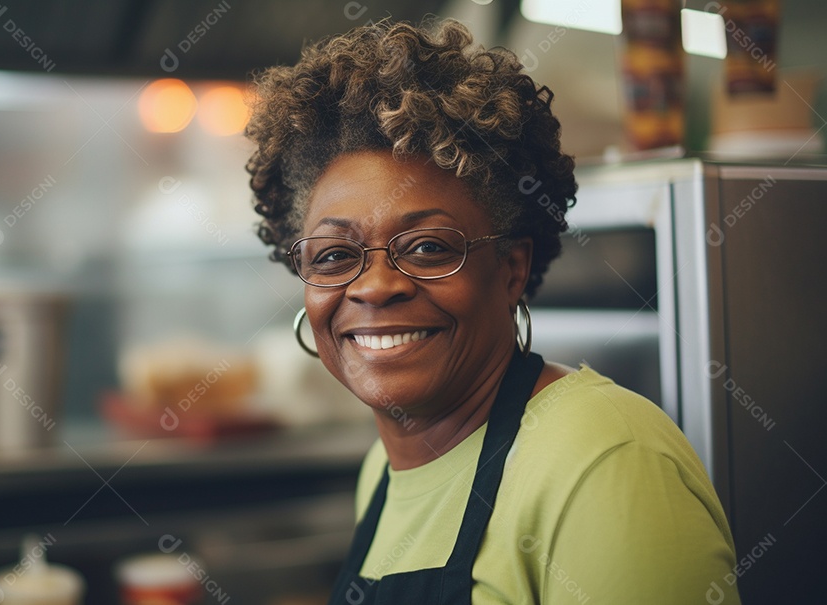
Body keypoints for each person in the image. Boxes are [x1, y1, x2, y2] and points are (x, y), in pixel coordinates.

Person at [244, 19, 740, 605]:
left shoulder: (604, 459)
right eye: (334, 255)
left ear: (512, 271)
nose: (375, 288)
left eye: (428, 247)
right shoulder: (380, 470)